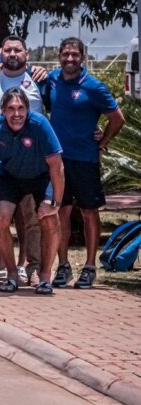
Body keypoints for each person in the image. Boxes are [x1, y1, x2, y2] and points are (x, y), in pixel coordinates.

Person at [41, 37, 125, 289]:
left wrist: (101, 143)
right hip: (58, 161)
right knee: (61, 211)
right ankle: (63, 265)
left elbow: (117, 119)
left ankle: (89, 267)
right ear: (59, 56)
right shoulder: (51, 80)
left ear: (83, 58)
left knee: (89, 212)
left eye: (74, 55)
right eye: (65, 54)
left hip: (85, 159)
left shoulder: (94, 87)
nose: (69, 59)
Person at [0, 89, 64, 295]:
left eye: (21, 108)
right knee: (0, 219)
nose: (16, 114)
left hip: (41, 176)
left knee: (50, 219)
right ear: (3, 111)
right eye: (11, 109)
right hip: (11, 177)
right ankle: (12, 274)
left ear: (27, 109)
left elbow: (57, 166)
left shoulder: (40, 124)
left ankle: (44, 276)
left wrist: (55, 202)